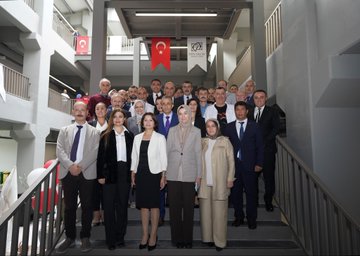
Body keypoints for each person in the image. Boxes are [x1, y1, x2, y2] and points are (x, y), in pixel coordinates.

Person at [56, 101, 100, 254]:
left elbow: (94, 152)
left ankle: (85, 237)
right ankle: (69, 237)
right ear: (73, 111)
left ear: (87, 112)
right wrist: (70, 166)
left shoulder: (95, 132)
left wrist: (80, 166)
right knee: (69, 207)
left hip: (86, 172)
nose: (80, 112)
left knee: (87, 206)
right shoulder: (64, 130)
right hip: (68, 173)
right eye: (77, 109)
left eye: (83, 110)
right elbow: (59, 150)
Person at [96, 109, 134, 250]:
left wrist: (132, 174)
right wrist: (100, 175)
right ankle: (110, 239)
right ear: (112, 119)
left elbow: (133, 157)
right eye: (115, 117)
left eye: (120, 117)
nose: (118, 119)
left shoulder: (130, 135)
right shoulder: (105, 135)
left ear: (124, 119)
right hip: (109, 175)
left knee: (122, 207)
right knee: (109, 208)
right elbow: (100, 157)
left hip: (125, 174)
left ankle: (120, 238)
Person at [166, 105, 202, 249]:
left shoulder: (197, 131)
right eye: (180, 114)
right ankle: (177, 239)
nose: (183, 116)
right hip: (173, 174)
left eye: (185, 113)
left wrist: (199, 175)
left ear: (190, 115)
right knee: (174, 209)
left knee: (188, 210)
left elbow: (198, 154)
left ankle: (187, 239)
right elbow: (167, 152)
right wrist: (164, 174)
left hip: (189, 174)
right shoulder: (172, 130)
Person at [224, 101, 264, 230]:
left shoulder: (255, 126)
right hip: (234, 167)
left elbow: (260, 146)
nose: (240, 112)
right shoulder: (228, 127)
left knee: (251, 193)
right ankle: (238, 217)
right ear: (234, 111)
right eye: (237, 110)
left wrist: (259, 163)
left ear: (247, 111)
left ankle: (251, 219)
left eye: (242, 109)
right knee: (236, 194)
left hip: (251, 166)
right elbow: (225, 149)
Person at [131, 113, 167, 251]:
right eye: (145, 120)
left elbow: (164, 158)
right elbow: (134, 156)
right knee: (144, 206)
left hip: (155, 174)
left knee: (154, 205)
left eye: (150, 120)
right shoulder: (137, 138)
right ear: (142, 123)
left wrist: (163, 175)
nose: (147, 122)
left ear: (154, 123)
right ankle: (145, 235)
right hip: (141, 174)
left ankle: (153, 235)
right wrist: (132, 172)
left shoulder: (160, 138)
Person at [198, 119, 235, 251]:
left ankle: (219, 241)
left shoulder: (225, 141)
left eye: (213, 126)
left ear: (217, 127)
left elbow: (231, 161)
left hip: (220, 182)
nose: (210, 128)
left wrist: (230, 178)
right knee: (205, 213)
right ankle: (208, 238)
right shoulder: (202, 142)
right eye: (208, 126)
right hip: (204, 183)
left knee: (220, 214)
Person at [248, 89, 280, 212]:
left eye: (261, 97)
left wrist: (262, 142)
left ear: (265, 98)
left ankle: (268, 201)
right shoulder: (249, 112)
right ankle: (254, 201)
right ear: (253, 99)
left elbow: (276, 128)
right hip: (252, 152)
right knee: (252, 179)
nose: (259, 99)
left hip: (268, 150)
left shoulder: (272, 111)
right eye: (256, 97)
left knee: (269, 178)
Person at [156, 96, 179, 226]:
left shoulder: (179, 117)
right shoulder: (156, 119)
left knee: (174, 190)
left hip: (175, 159)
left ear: (172, 105)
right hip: (159, 160)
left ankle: (175, 217)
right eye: (163, 104)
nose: (165, 106)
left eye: (168, 103)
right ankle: (160, 215)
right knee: (160, 188)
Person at [89, 102, 108, 226]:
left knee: (106, 191)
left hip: (107, 163)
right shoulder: (89, 125)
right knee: (94, 190)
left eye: (102, 108)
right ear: (95, 111)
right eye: (97, 109)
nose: (100, 110)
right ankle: (96, 215)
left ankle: (106, 214)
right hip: (92, 162)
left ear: (106, 111)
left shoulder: (111, 125)